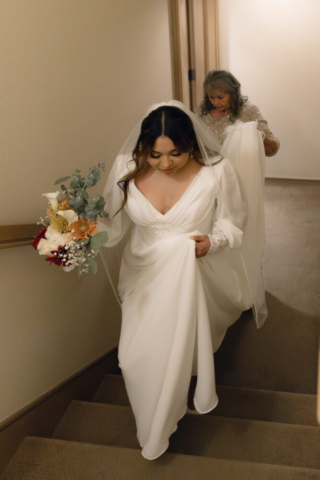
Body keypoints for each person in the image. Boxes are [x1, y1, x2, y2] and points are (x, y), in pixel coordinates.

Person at [97, 100, 266, 460]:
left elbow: (234, 222)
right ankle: (155, 412)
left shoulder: (217, 170)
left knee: (181, 341)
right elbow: (110, 225)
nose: (165, 164)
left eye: (176, 153)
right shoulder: (126, 168)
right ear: (143, 147)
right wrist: (75, 236)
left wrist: (214, 241)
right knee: (130, 356)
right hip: (143, 270)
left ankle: (157, 429)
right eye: (155, 156)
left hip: (193, 267)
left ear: (191, 143)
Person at [195, 70, 280, 157]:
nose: (215, 102)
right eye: (211, 97)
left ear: (233, 94)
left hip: (238, 168)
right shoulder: (203, 110)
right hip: (207, 167)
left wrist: (259, 135)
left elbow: (272, 150)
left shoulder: (249, 111)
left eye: (220, 97)